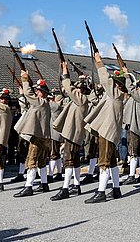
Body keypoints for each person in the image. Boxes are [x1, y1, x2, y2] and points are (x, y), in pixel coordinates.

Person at [84, 52, 127, 203]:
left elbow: (105, 79)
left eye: (115, 82)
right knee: (112, 162)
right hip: (110, 132)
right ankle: (116, 189)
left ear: (119, 85)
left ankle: (101, 191)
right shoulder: (116, 95)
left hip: (107, 132)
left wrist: (99, 62)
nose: (113, 83)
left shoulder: (115, 94)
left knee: (103, 162)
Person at [50, 63, 90, 200]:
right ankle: (77, 185)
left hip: (72, 134)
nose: (75, 89)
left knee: (68, 160)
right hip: (74, 133)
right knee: (75, 161)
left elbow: (67, 87)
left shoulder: (81, 99)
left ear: (82, 90)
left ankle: (66, 188)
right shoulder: (80, 99)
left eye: (78, 88)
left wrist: (65, 72)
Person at [13, 72, 52, 197]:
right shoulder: (44, 103)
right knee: (41, 161)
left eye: (38, 91)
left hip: (38, 136)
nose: (36, 92)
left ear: (43, 93)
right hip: (43, 136)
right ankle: (44, 184)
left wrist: (24, 78)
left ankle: (28, 186)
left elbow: (28, 94)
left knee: (31, 160)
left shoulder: (40, 102)